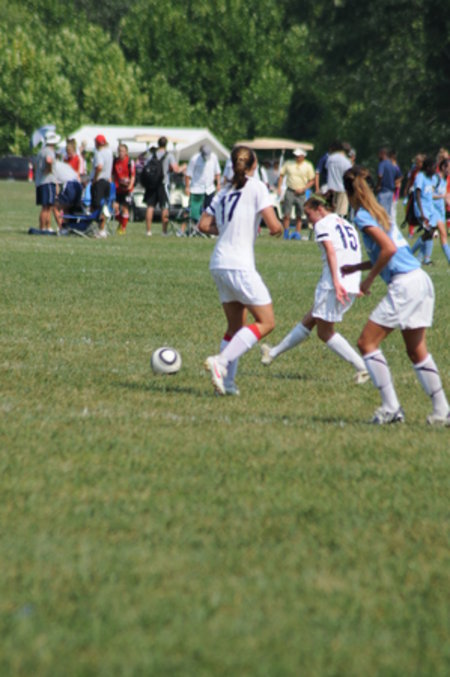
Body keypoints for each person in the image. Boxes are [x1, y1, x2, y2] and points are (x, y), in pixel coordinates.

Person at [341, 165, 449, 426]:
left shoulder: (362, 216)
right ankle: (442, 411)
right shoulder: (379, 212)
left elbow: (388, 249)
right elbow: (390, 251)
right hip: (419, 279)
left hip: (405, 285)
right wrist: (356, 267)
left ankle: (391, 408)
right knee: (416, 351)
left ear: (349, 193)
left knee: (366, 343)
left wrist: (367, 280)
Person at [199, 145, 283, 396]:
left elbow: (203, 225)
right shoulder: (257, 187)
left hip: (219, 262)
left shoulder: (224, 190)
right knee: (267, 322)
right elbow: (274, 226)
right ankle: (221, 362)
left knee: (235, 328)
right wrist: (278, 228)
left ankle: (226, 384)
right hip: (239, 264)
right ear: (254, 165)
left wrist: (226, 229)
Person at [260, 195, 369, 384]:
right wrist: (356, 282)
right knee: (311, 319)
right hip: (349, 281)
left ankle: (362, 367)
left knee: (325, 332)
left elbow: (331, 252)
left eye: (308, 214)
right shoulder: (346, 224)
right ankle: (273, 353)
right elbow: (354, 253)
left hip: (334, 283)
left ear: (319, 209)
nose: (309, 220)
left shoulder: (322, 224)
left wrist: (336, 282)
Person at [411, 156, 450, 265]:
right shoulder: (426, 177)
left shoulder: (438, 179)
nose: (434, 170)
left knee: (429, 233)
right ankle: (411, 254)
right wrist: (421, 212)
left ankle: (421, 258)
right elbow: (420, 194)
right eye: (433, 167)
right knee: (433, 233)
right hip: (426, 211)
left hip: (433, 211)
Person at [144, 136, 184, 236]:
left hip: (151, 184)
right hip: (163, 183)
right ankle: (164, 231)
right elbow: (176, 169)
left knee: (150, 207)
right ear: (166, 144)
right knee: (164, 207)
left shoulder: (151, 155)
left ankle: (148, 231)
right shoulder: (169, 155)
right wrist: (183, 167)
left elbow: (145, 166)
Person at [278, 148, 315, 239]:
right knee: (286, 214)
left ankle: (297, 233)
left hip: (301, 192)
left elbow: (312, 180)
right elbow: (281, 175)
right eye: (296, 156)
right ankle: (286, 232)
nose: (297, 157)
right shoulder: (288, 163)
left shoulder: (308, 166)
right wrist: (279, 188)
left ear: (303, 156)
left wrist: (304, 189)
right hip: (290, 190)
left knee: (299, 215)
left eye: (298, 156)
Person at [185, 144, 221, 224]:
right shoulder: (194, 159)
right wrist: (187, 187)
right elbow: (188, 174)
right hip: (196, 189)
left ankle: (206, 226)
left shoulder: (214, 157)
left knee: (210, 210)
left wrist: (218, 184)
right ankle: (190, 227)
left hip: (210, 188)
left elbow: (217, 172)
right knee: (193, 211)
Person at [34, 130, 61, 232]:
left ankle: (47, 227)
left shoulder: (41, 151)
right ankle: (42, 228)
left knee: (47, 206)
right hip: (48, 181)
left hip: (40, 182)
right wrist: (49, 170)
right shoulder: (49, 151)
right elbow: (49, 161)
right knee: (46, 207)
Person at [91, 134, 113, 238]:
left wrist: (95, 179)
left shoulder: (98, 153)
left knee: (97, 206)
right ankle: (102, 229)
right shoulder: (109, 152)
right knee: (104, 206)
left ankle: (98, 229)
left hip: (99, 182)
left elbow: (99, 166)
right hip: (107, 182)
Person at [112, 143, 135, 235]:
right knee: (115, 207)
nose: (121, 153)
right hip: (117, 188)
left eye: (122, 151)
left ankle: (123, 228)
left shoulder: (130, 162)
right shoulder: (115, 161)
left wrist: (130, 185)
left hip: (127, 189)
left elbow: (133, 176)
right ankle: (121, 223)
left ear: (126, 152)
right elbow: (113, 174)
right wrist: (112, 184)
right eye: (119, 151)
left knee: (125, 208)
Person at [53, 160, 83, 230]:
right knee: (67, 208)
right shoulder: (64, 165)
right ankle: (68, 227)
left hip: (69, 185)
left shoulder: (53, 167)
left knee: (54, 206)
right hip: (78, 185)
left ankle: (61, 228)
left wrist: (56, 196)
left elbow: (55, 184)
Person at [326, 141, 352, 217]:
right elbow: (349, 174)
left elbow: (327, 169)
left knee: (332, 210)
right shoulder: (346, 161)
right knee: (341, 212)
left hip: (331, 187)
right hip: (342, 188)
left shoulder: (330, 159)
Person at [375, 147, 402, 216]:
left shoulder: (382, 163)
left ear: (383, 154)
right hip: (391, 191)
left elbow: (380, 175)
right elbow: (400, 176)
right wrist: (394, 183)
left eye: (379, 154)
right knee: (387, 213)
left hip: (383, 190)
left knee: (381, 213)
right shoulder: (392, 164)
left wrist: (378, 185)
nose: (378, 156)